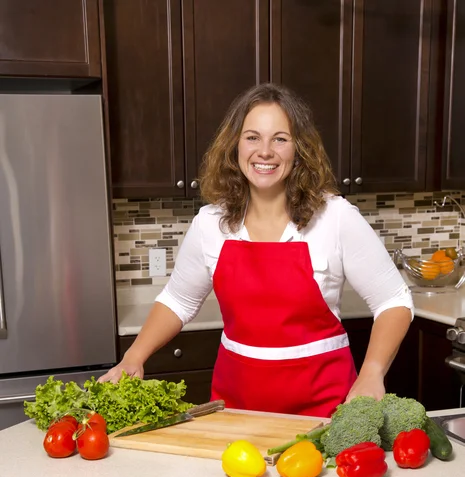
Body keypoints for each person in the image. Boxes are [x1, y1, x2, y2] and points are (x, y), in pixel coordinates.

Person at [100, 83, 413, 418]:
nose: (265, 151)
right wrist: (134, 356)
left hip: (326, 411)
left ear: (300, 149)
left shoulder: (335, 218)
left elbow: (393, 301)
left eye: (280, 138)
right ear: (235, 145)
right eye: (253, 137)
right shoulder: (210, 223)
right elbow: (179, 300)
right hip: (237, 411)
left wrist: (371, 375)